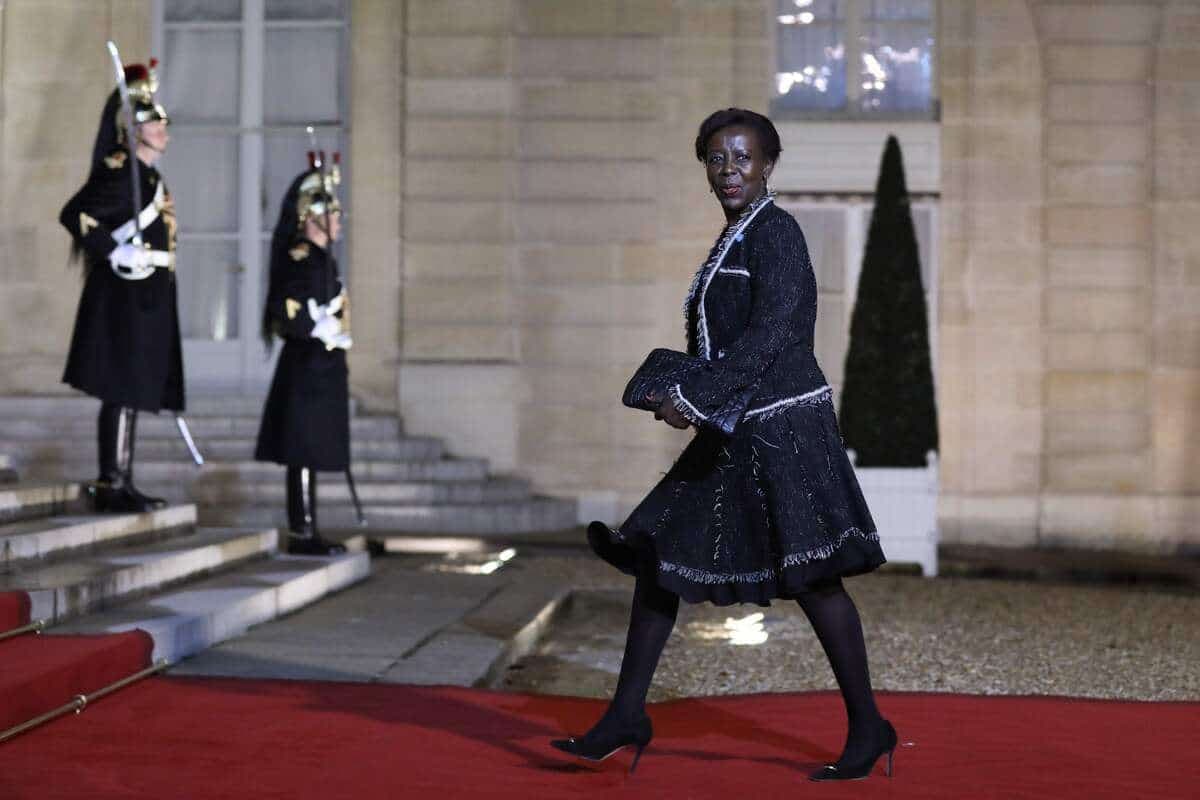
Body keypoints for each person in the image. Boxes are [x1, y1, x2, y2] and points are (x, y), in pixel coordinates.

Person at [550, 109, 894, 781]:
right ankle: (625, 715)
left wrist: (694, 399)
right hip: (738, 426)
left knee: (815, 579)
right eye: (716, 158)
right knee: (659, 559)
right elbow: (728, 345)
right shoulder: (737, 236)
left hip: (784, 430)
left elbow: (770, 336)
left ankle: (869, 727)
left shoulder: (777, 233)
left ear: (769, 164)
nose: (728, 169)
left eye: (742, 157)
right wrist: (672, 385)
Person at [60, 60, 182, 513]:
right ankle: (111, 480)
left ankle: (123, 478)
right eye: (155, 122)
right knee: (120, 388)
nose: (164, 128)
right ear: (133, 130)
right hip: (123, 294)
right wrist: (112, 249)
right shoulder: (119, 170)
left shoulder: (148, 176)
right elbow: (75, 214)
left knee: (133, 389)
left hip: (147, 295)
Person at [254, 157, 351, 556]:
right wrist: (316, 325)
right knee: (303, 452)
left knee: (311, 450)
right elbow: (285, 304)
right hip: (306, 367)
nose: (340, 221)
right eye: (334, 213)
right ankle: (302, 530)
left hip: (322, 368)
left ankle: (308, 528)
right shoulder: (299, 254)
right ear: (314, 217)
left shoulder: (321, 257)